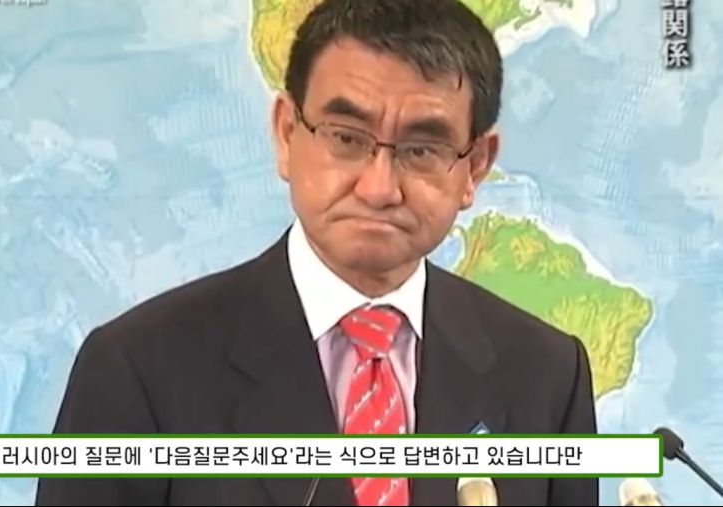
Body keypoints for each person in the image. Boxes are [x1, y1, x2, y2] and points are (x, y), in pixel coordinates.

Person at [35, 0, 598, 505]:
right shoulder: (138, 369)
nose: (379, 188)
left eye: (422, 149)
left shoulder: (547, 375)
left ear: (474, 167)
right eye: (347, 138)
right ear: (286, 133)